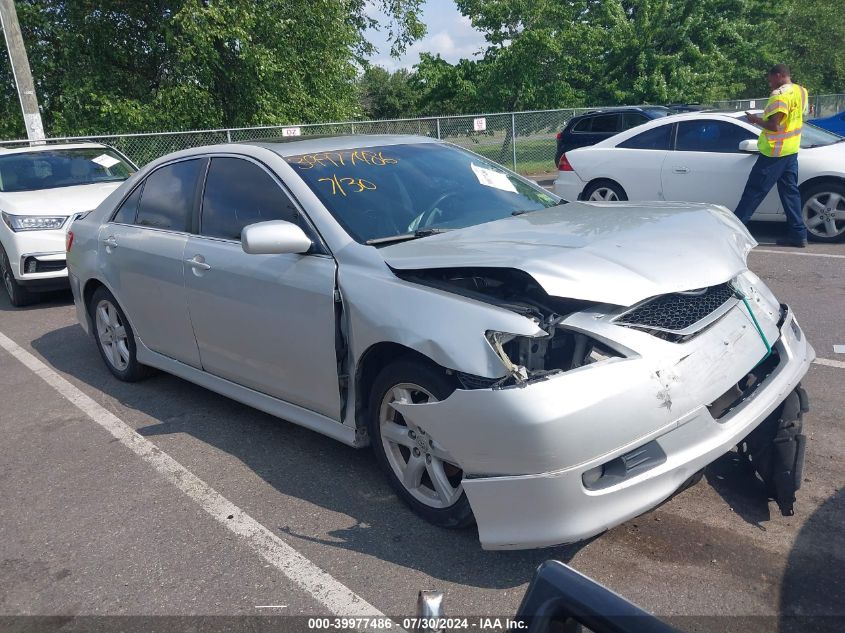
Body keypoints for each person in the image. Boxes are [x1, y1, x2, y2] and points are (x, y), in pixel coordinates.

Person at [733, 64, 809, 247]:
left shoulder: (779, 96)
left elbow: (774, 126)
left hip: (774, 152)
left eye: (771, 79)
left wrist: (755, 120)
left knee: (753, 192)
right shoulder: (801, 91)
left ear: (780, 75)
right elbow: (803, 114)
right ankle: (798, 235)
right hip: (791, 151)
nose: (770, 83)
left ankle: (733, 233)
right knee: (790, 194)